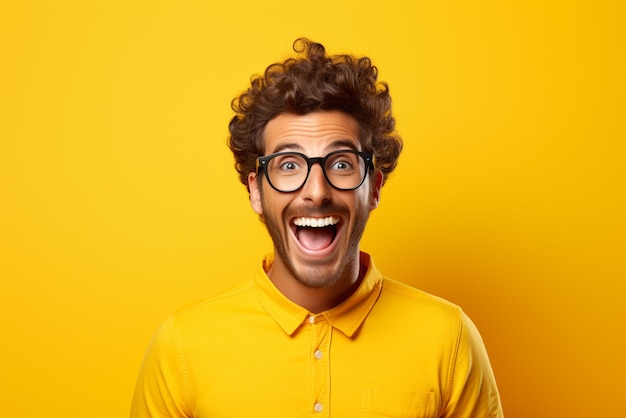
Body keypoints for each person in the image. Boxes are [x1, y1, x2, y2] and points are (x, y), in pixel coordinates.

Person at [131, 38, 504, 417]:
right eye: (289, 165)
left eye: (341, 164)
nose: (316, 191)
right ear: (256, 191)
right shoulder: (182, 346)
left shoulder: (449, 338)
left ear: (373, 187)